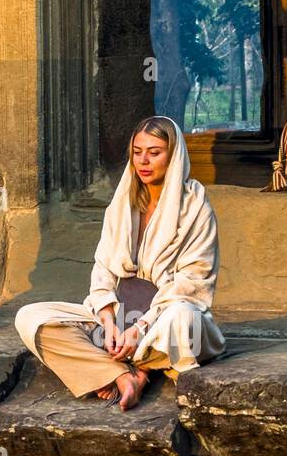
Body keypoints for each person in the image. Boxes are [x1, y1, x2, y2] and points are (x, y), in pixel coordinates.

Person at [14, 115, 226, 410]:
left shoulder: (195, 207)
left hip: (160, 321)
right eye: (137, 152)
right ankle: (123, 373)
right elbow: (103, 268)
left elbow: (191, 284)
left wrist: (139, 328)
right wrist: (108, 320)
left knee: (185, 320)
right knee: (30, 317)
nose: (144, 161)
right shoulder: (122, 202)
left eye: (154, 152)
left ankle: (140, 370)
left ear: (174, 154)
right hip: (118, 318)